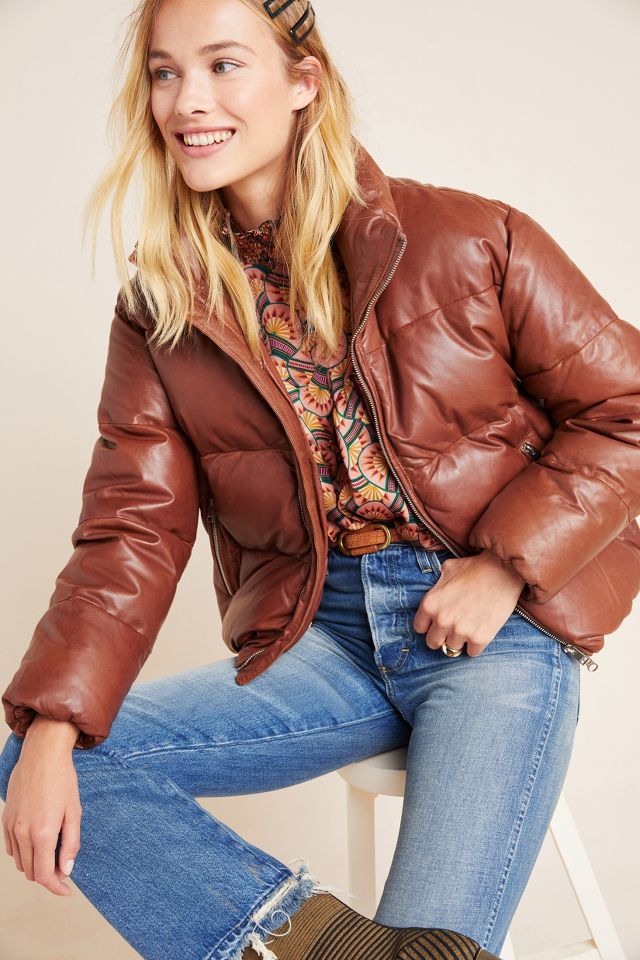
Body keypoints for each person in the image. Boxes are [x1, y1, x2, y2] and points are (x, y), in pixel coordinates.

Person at [2, 0, 640, 958]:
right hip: (324, 635)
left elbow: (627, 407)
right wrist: (52, 719)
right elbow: (130, 532)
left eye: (223, 64)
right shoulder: (162, 308)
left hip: (495, 636)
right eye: (166, 73)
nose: (187, 101)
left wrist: (506, 565)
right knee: (45, 756)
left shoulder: (469, 237)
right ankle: (307, 941)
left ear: (304, 82)